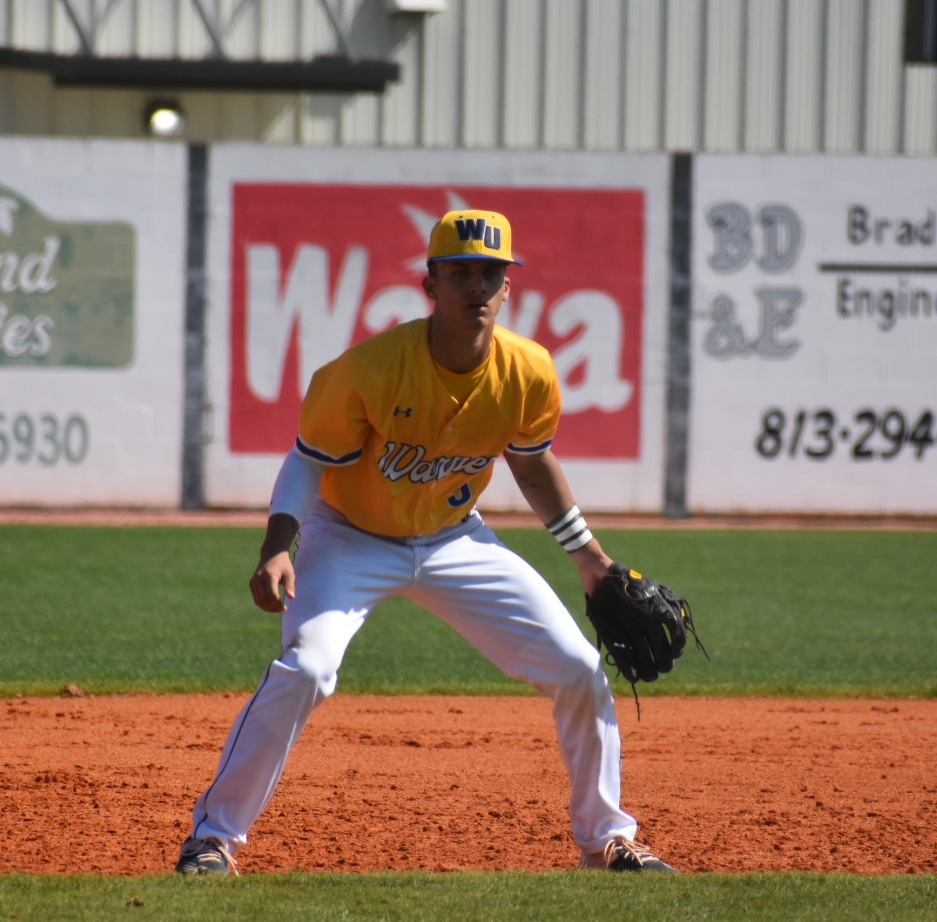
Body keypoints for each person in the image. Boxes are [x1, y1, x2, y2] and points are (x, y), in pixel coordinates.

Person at [177, 208, 675, 875]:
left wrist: (590, 561)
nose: (477, 287)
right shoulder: (369, 369)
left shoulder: (527, 371)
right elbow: (307, 460)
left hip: (453, 540)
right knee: (309, 668)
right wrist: (277, 546)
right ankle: (212, 838)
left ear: (508, 288)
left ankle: (606, 839)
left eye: (491, 274)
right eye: (461, 272)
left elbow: (530, 464)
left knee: (579, 669)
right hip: (349, 537)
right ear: (430, 286)